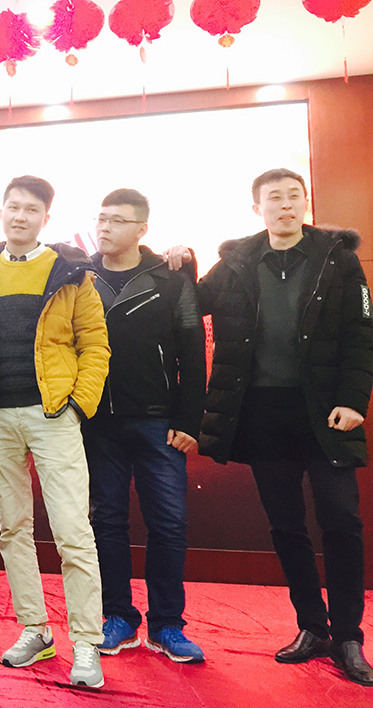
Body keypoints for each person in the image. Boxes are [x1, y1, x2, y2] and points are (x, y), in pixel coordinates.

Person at [166, 168, 373, 686]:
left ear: (305, 202)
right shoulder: (237, 260)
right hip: (261, 415)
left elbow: (361, 333)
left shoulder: (338, 258)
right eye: (274, 198)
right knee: (286, 525)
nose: (285, 205)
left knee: (342, 521)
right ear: (256, 207)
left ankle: (348, 637)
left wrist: (354, 400)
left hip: (325, 414)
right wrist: (182, 263)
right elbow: (195, 303)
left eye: (294, 196)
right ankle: (313, 627)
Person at [0, 176, 110, 688]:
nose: (20, 216)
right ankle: (35, 629)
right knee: (13, 529)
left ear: (45, 218)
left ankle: (87, 643)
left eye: (31, 209)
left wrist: (77, 406)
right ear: (1, 212)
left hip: (53, 415)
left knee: (73, 532)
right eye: (13, 207)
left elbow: (95, 344)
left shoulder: (70, 272)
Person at [84, 189, 207, 663]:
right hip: (98, 423)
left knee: (169, 524)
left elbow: (193, 355)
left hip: (160, 423)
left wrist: (189, 419)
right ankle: (118, 617)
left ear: (142, 229)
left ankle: (167, 624)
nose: (105, 227)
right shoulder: (80, 277)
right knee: (107, 522)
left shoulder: (171, 280)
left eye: (117, 220)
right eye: (101, 218)